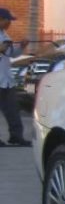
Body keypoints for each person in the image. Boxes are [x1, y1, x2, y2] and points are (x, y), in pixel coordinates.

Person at [0, 8, 30, 147]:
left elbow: (12, 54)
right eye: (7, 21)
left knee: (13, 110)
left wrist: (21, 47)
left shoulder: (4, 35)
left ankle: (16, 136)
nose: (9, 24)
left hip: (6, 80)